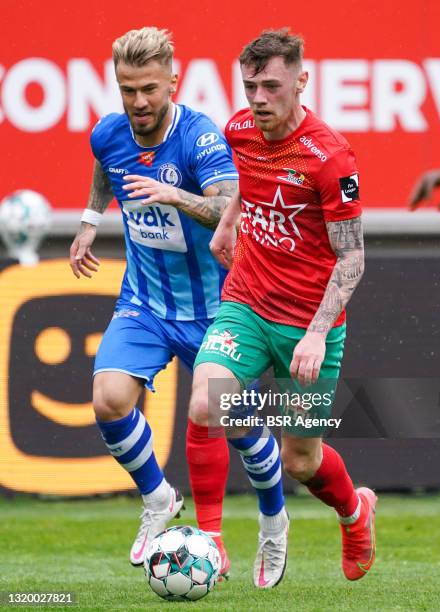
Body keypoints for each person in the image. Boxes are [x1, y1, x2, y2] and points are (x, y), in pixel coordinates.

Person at [189, 29, 377, 588]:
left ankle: (354, 513)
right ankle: (209, 544)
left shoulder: (330, 156)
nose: (258, 98)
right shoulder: (240, 130)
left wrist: (317, 334)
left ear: (301, 80)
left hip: (310, 323)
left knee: (301, 460)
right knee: (205, 404)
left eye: (271, 85)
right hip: (245, 301)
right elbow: (248, 185)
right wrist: (229, 222)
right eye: (250, 86)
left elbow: (353, 256)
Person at [69, 26, 242, 576]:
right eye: (127, 90)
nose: (139, 102)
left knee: (255, 434)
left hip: (215, 306)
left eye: (149, 88)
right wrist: (90, 222)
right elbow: (107, 167)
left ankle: (279, 519)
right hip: (144, 301)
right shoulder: (110, 133)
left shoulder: (200, 137)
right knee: (108, 398)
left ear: (174, 79)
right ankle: (159, 500)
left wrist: (173, 193)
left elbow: (226, 208)